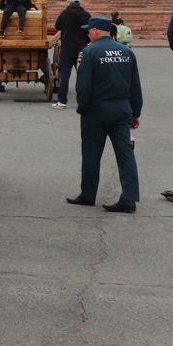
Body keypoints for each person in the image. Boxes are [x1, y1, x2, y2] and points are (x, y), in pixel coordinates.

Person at [66, 17, 142, 213]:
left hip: (97, 110)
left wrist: (82, 108)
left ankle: (88, 195)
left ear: (96, 31)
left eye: (89, 30)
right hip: (122, 109)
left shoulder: (88, 52)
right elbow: (135, 85)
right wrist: (135, 112)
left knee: (92, 153)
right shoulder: (127, 52)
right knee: (125, 155)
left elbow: (83, 86)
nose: (87, 34)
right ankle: (129, 198)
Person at [52, 0, 90, 110]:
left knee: (64, 76)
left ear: (69, 3)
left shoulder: (65, 14)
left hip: (67, 49)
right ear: (79, 3)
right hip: (81, 49)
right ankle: (85, 102)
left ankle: (62, 101)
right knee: (83, 76)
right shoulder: (86, 15)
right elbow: (90, 29)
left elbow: (57, 26)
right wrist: (85, 41)